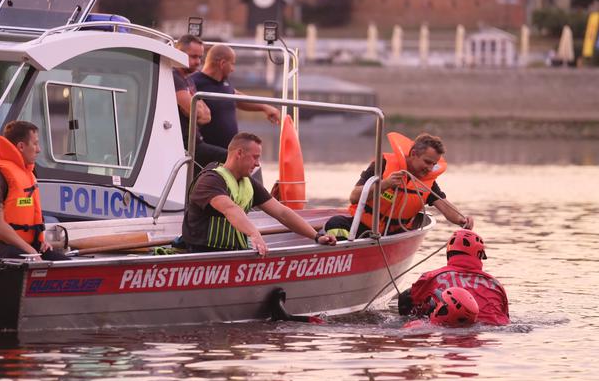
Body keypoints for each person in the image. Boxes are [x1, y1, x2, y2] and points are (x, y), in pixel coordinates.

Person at [182, 132, 336, 256]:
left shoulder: (248, 182)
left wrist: (316, 236)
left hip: (234, 254)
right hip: (203, 253)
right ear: (239, 153)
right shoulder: (210, 180)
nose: (257, 163)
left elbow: (282, 212)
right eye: (255, 157)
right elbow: (230, 209)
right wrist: (254, 234)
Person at [323, 132, 474, 239]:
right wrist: (385, 184)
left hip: (396, 235)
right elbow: (354, 197)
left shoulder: (427, 181)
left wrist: (461, 219)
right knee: (335, 223)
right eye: (427, 162)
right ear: (414, 154)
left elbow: (444, 205)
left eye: (433, 164)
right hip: (363, 227)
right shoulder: (382, 164)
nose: (430, 168)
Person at [0, 121, 69, 269]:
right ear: (21, 146)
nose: (39, 150)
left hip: (16, 246)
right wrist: (31, 251)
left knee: (65, 264)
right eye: (35, 144)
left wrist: (39, 243)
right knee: (22, 259)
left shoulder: (26, 173)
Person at [398, 229, 510, 326]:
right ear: (479, 254)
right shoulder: (496, 285)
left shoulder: (431, 277)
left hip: (446, 329)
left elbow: (406, 300)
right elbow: (506, 317)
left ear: (449, 252)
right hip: (490, 334)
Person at [191, 44, 281, 149]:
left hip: (228, 153)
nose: (233, 69)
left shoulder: (223, 82)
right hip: (207, 152)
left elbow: (236, 96)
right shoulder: (194, 82)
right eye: (232, 64)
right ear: (222, 63)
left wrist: (264, 107)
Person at [173, 34, 228, 171]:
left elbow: (207, 116)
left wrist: (195, 110)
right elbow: (197, 113)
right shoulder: (174, 77)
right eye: (193, 56)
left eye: (200, 57)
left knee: (239, 159)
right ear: (178, 53)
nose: (198, 62)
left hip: (197, 143)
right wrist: (196, 110)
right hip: (186, 146)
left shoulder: (188, 79)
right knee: (231, 158)